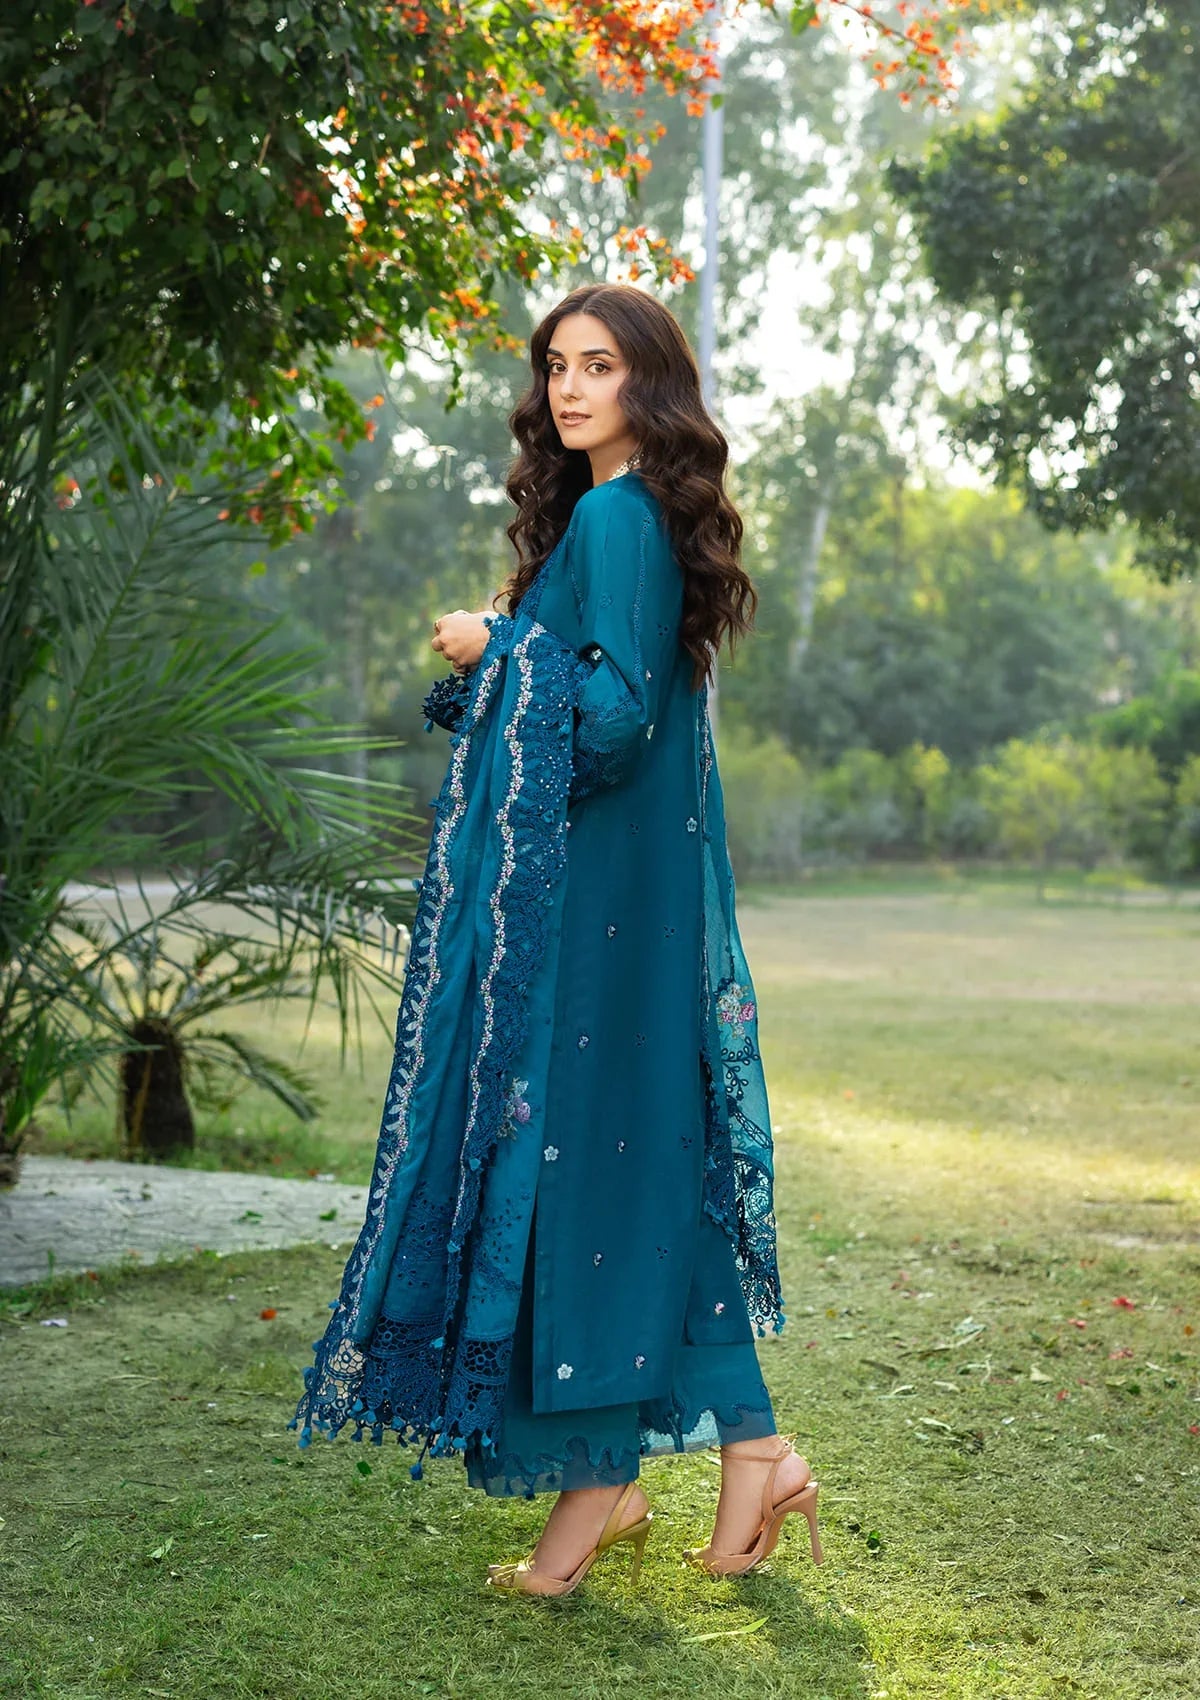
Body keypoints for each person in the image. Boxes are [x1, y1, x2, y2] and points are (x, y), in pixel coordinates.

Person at [290, 282, 822, 1595]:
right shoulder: (625, 516)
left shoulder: (619, 516)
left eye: (599, 365)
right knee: (640, 1171)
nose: (570, 388)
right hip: (621, 906)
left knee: (591, 1177)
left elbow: (617, 718)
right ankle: (744, 1456)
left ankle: (607, 1486)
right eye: (556, 367)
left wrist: (500, 646)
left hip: (602, 923)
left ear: (650, 384)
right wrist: (514, 649)